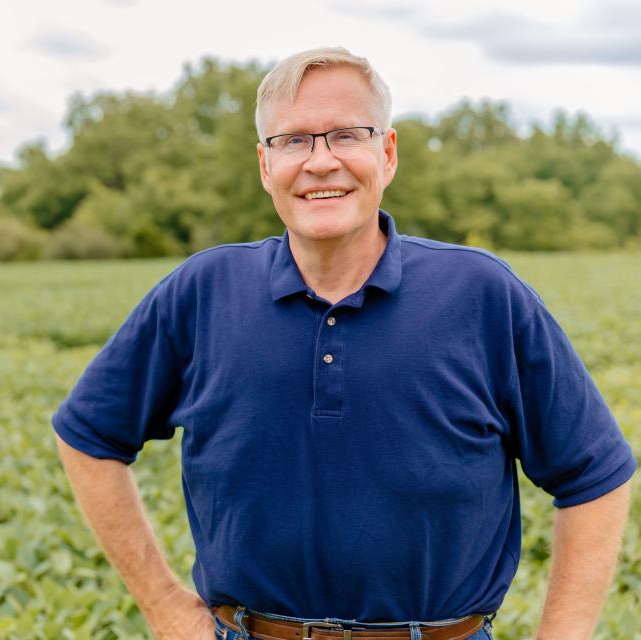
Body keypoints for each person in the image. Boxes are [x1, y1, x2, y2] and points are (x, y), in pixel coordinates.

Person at [51, 47, 636, 640]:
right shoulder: (202, 292)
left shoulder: (481, 295)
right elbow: (89, 436)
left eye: (346, 136)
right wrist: (165, 607)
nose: (320, 162)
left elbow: (594, 475)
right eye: (294, 141)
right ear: (264, 165)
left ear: (386, 154)